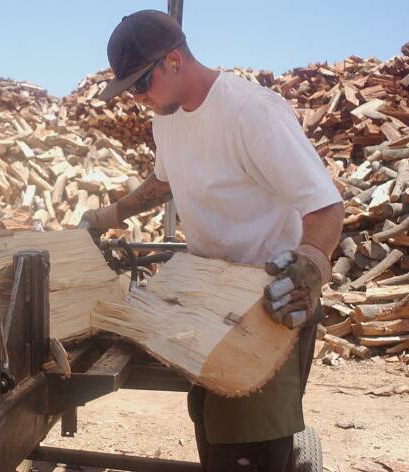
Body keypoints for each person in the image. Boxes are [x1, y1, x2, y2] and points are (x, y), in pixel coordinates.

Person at [81, 10, 344, 472]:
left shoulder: (251, 113)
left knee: (250, 447)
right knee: (212, 428)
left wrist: (311, 263)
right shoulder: (168, 117)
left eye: (142, 84)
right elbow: (163, 181)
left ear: (175, 61)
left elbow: (324, 206)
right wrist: (110, 214)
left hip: (268, 304)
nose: (138, 98)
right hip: (208, 300)